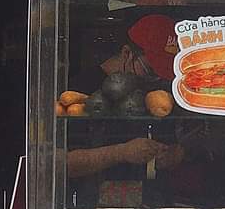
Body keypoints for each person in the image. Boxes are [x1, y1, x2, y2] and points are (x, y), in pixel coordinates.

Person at [66, 14, 183, 181]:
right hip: (90, 192)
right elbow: (59, 163)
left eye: (163, 75)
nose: (156, 80)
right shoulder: (79, 90)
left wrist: (176, 153)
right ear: (127, 53)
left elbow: (171, 144)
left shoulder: (157, 95)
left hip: (151, 193)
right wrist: (121, 152)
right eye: (150, 71)